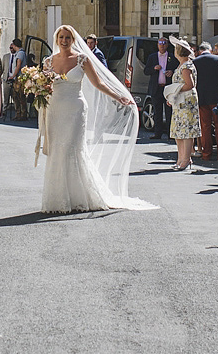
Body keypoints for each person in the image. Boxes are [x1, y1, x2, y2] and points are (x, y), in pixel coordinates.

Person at [37, 25, 155, 213]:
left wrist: (119, 96)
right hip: (55, 110)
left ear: (73, 40)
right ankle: (58, 198)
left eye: (68, 37)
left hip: (75, 109)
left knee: (71, 148)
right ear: (56, 38)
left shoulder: (82, 59)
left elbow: (98, 83)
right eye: (61, 37)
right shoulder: (48, 62)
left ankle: (79, 197)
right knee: (57, 151)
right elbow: (43, 85)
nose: (64, 41)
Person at [193, 41, 218, 161]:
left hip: (202, 99)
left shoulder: (195, 62)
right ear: (210, 50)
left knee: (205, 128)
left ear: (200, 51)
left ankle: (206, 154)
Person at [168, 38, 200, 170]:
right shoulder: (182, 65)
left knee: (186, 131)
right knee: (178, 131)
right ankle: (181, 158)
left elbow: (190, 85)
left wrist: (174, 91)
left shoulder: (186, 66)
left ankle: (186, 159)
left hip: (186, 102)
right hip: (180, 102)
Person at [148, 37, 178, 139]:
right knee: (157, 112)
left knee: (169, 111)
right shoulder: (152, 57)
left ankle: (170, 133)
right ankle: (158, 133)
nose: (162, 45)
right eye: (160, 43)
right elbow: (146, 71)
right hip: (156, 88)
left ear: (167, 45)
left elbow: (177, 69)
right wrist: (154, 68)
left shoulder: (172, 57)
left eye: (164, 43)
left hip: (168, 88)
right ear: (157, 45)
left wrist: (172, 71)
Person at [5, 39, 27, 120]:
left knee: (20, 96)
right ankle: (18, 113)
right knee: (15, 96)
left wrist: (13, 75)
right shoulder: (18, 53)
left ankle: (23, 113)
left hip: (19, 78)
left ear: (15, 45)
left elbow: (18, 65)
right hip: (16, 78)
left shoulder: (20, 53)